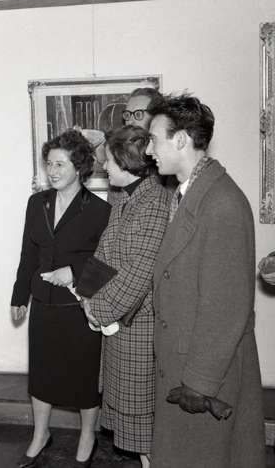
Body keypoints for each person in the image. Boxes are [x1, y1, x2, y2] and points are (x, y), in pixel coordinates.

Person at [145, 93, 266, 468]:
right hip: (185, 363)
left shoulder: (222, 202)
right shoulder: (191, 194)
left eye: (154, 139)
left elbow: (225, 307)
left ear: (181, 140)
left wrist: (199, 383)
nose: (149, 150)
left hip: (204, 376)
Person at [11, 129, 111, 467]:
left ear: (80, 167)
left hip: (79, 307)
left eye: (60, 164)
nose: (52, 171)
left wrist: (75, 270)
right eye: (49, 164)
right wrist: (19, 296)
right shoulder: (36, 203)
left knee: (84, 377)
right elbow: (28, 253)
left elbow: (107, 260)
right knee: (41, 375)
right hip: (43, 303)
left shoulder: (100, 210)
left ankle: (87, 437)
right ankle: (40, 435)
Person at [81, 125, 170, 468]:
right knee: (133, 422)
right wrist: (86, 296)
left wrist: (98, 309)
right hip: (119, 325)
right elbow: (104, 253)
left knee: (146, 424)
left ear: (126, 163)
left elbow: (139, 273)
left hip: (140, 326)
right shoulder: (122, 197)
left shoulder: (155, 203)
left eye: (109, 162)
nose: (104, 168)